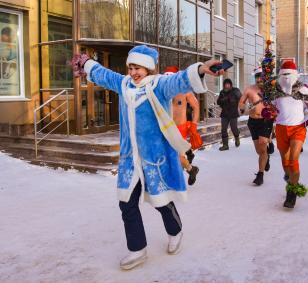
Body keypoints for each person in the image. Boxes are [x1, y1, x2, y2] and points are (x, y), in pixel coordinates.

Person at [71, 45, 222, 270]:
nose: (133, 72)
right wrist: (86, 64)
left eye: (138, 68)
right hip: (130, 159)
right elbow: (104, 75)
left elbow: (179, 80)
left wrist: (200, 69)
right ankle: (137, 249)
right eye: (130, 67)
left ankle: (175, 231)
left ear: (148, 68)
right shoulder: (124, 85)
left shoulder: (159, 85)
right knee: (126, 203)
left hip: (154, 158)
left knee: (161, 202)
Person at [273, 60, 308, 208]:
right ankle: (290, 177)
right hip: (280, 128)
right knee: (285, 162)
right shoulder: (275, 91)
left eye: (288, 74)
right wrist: (268, 113)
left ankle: (291, 194)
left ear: (294, 75)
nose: (286, 77)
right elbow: (271, 108)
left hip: (298, 128)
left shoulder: (302, 90)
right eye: (283, 74)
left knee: (293, 160)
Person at [165, 66, 200, 186]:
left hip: (180, 128)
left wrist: (194, 124)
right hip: (166, 128)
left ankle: (179, 178)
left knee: (176, 156)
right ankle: (191, 169)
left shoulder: (185, 91)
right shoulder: (162, 91)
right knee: (169, 155)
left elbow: (196, 106)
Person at [239, 68, 273, 186]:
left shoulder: (270, 90)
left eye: (261, 77)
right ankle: (266, 156)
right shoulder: (249, 89)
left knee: (263, 145)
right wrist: (243, 108)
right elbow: (241, 101)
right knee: (259, 151)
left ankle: (260, 174)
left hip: (266, 121)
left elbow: (277, 103)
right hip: (253, 121)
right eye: (257, 77)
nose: (259, 79)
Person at [217, 78, 242, 151]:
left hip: (233, 113)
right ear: (224, 85)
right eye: (226, 84)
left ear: (230, 84)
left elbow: (241, 98)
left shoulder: (235, 90)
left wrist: (237, 100)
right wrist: (224, 99)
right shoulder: (222, 92)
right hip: (224, 114)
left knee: (234, 128)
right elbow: (218, 102)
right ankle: (225, 145)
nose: (227, 85)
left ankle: (237, 137)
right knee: (223, 129)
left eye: (228, 84)